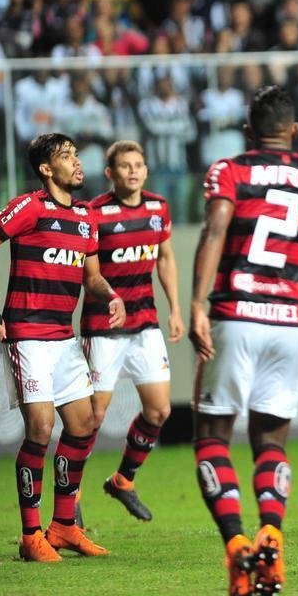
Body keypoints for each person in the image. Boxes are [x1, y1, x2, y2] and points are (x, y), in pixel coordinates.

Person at [189, 86, 298, 596]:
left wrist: (197, 303)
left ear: (248, 131)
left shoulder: (231, 171)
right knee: (271, 443)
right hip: (291, 322)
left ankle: (237, 543)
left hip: (236, 313)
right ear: (294, 131)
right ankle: (272, 535)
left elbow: (216, 229)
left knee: (213, 435)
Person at [0, 133, 125, 562]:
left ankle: (63, 526)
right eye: (67, 156)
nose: (77, 162)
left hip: (63, 338)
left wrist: (111, 295)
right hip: (26, 334)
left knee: (83, 426)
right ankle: (31, 537)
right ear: (46, 169)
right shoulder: (30, 207)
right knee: (41, 429)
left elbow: (91, 277)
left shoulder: (86, 216)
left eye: (76, 154)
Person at [83, 141, 183, 522]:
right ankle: (69, 497)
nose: (133, 171)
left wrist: (175, 309)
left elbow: (166, 259)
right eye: (125, 166)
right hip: (103, 327)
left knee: (158, 410)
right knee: (91, 417)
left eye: (139, 165)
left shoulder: (158, 208)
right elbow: (88, 274)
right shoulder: (94, 213)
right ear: (110, 173)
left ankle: (123, 480)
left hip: (145, 324)